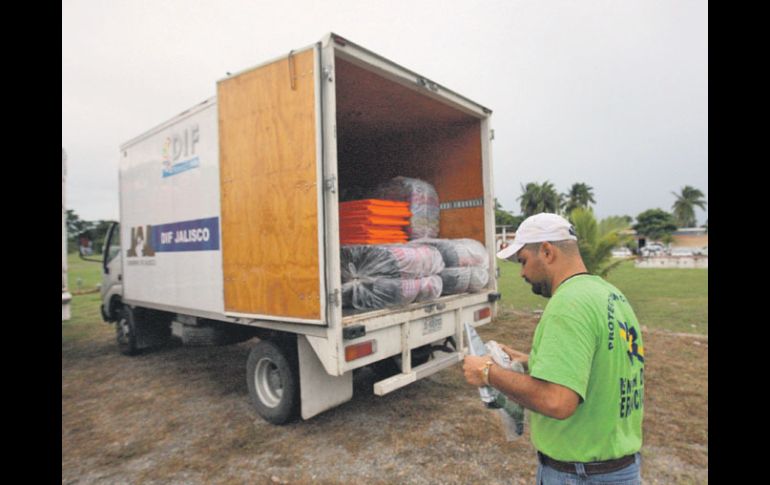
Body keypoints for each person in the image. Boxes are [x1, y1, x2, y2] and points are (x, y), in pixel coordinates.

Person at [463, 212, 645, 484]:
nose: (523, 273)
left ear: (547, 251)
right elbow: (601, 361)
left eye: (523, 261)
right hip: (619, 468)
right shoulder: (609, 294)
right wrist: (529, 360)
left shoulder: (567, 304)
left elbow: (557, 401)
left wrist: (488, 372)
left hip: (580, 475)